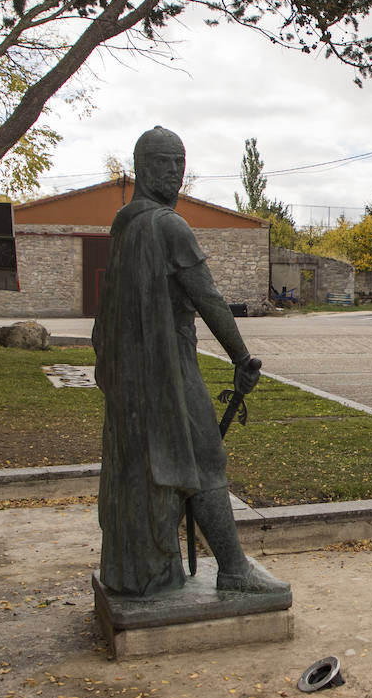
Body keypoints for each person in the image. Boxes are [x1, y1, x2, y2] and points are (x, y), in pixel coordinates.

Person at [93, 126, 288, 597]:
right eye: (165, 162)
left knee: (171, 463)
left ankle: (157, 569)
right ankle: (233, 569)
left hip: (136, 375)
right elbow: (209, 298)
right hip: (166, 370)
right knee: (205, 456)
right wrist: (241, 356)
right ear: (142, 166)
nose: (175, 172)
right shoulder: (165, 225)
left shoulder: (125, 223)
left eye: (180, 162)